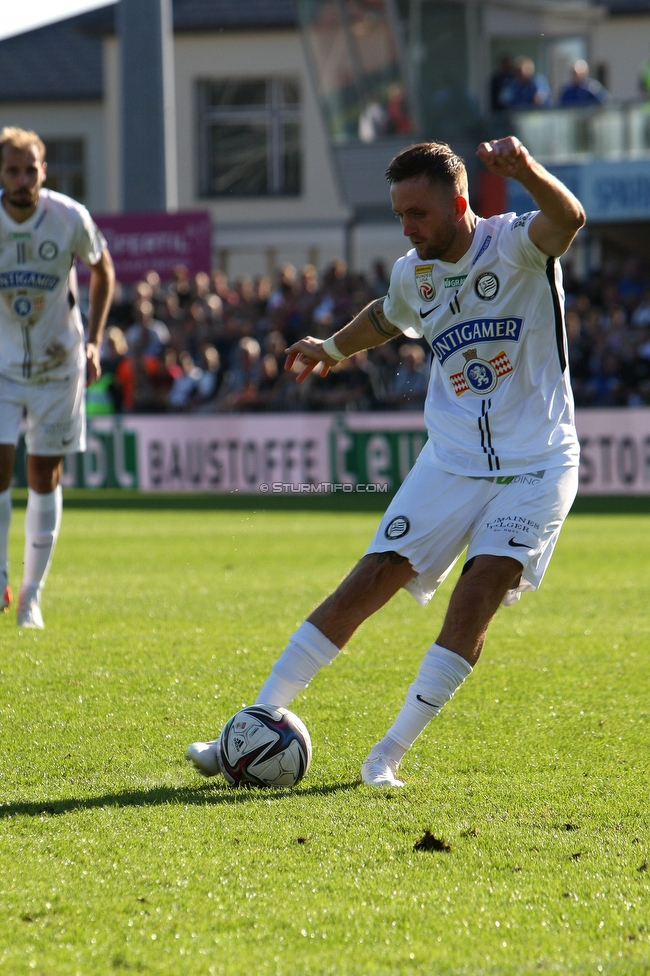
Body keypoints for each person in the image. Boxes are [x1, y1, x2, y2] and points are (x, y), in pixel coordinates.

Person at [187, 136, 585, 787]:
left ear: (459, 202)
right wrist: (333, 348)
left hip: (537, 464)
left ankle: (388, 754)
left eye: (419, 213)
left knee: (478, 591)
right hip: (450, 461)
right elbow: (387, 316)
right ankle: (255, 719)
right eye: (400, 213)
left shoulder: (515, 243)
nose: (408, 227)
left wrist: (526, 171)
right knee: (368, 581)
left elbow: (568, 221)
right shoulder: (414, 270)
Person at [0, 127, 114, 628]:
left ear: (44, 171)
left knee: (43, 476)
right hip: (1, 364)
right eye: (12, 170)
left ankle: (31, 596)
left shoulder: (69, 217)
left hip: (56, 363)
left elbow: (103, 268)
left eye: (31, 169)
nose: (22, 179)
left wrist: (93, 341)